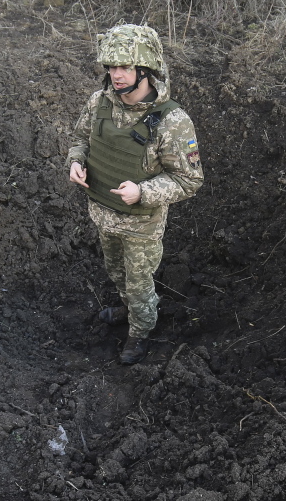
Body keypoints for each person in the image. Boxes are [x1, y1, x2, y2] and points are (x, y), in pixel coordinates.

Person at [66, 24, 204, 365]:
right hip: (103, 213)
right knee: (116, 271)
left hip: (141, 225)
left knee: (139, 283)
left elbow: (189, 180)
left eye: (126, 67)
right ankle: (128, 309)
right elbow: (80, 139)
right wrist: (76, 161)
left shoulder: (172, 121)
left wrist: (143, 191)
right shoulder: (99, 102)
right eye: (112, 66)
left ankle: (140, 331)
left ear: (145, 69)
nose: (117, 75)